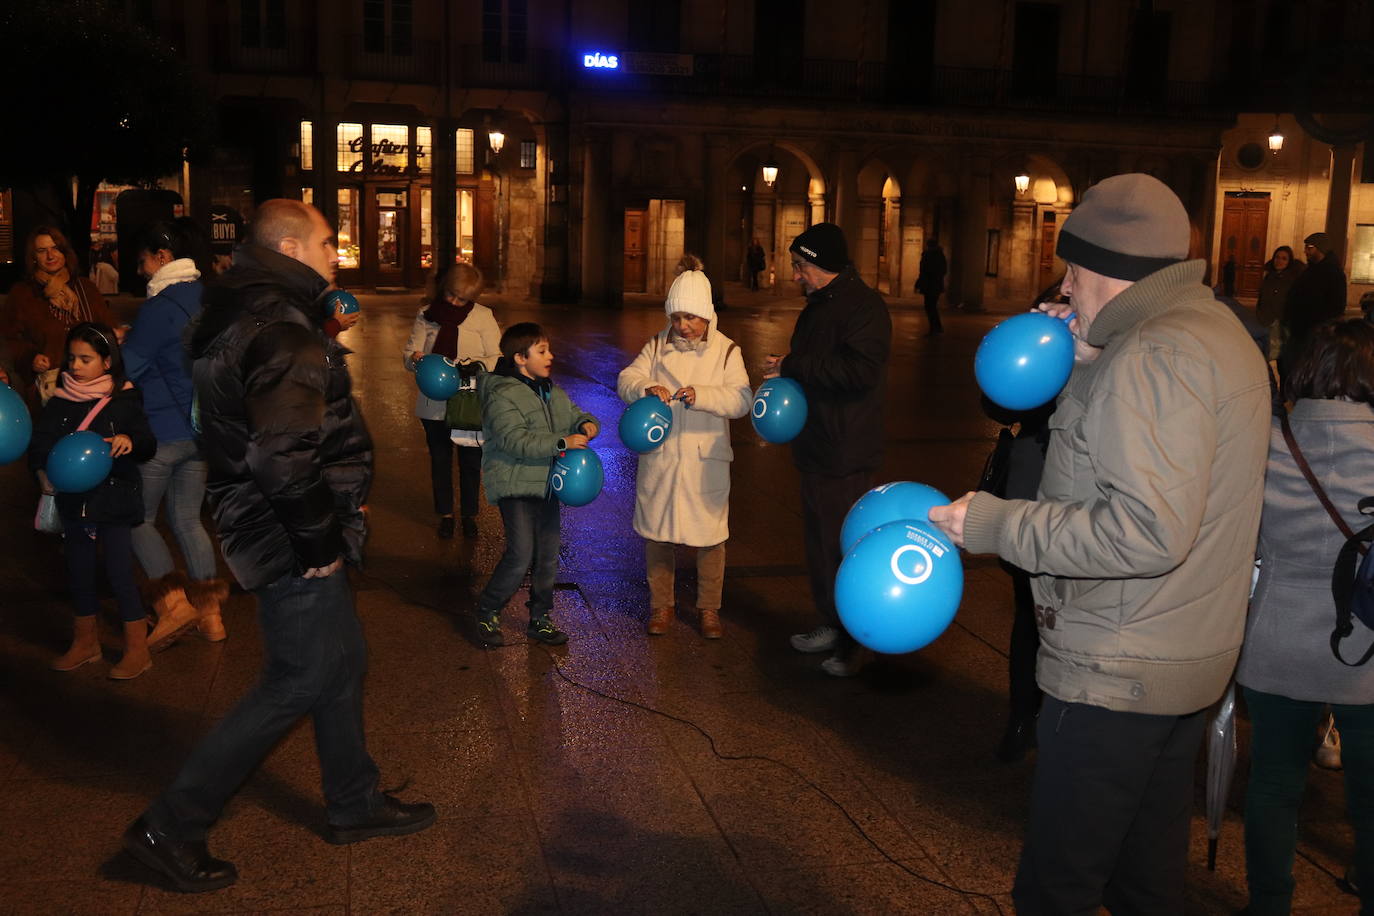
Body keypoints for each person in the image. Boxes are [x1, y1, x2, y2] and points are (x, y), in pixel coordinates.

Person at [927, 173, 1270, 913]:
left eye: (1071, 272)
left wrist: (992, 523)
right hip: (1181, 657)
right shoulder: (1210, 330)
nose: (1064, 288)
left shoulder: (1153, 357)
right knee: (1145, 884)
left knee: (1058, 888)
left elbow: (1144, 529)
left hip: (1118, 667)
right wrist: (1090, 365)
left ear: (1101, 270)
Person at [123, 200, 434, 893]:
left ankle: (353, 800)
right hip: (288, 529)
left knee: (343, 657)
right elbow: (281, 456)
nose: (337, 255)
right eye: (327, 244)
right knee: (294, 678)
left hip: (268, 517)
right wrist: (320, 538)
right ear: (291, 246)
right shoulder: (282, 330)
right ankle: (170, 825)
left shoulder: (241, 309)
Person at [1236, 319, 1374, 916]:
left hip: (1278, 639)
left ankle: (1269, 904)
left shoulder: (1266, 439)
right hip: (1368, 646)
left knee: (1273, 784)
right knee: (1369, 795)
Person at [764, 222, 892, 677]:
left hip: (845, 448)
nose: (796, 275)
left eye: (801, 266)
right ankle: (828, 621)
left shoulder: (864, 309)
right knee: (819, 545)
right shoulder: (819, 306)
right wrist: (787, 369)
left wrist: (795, 364)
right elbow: (817, 366)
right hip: (816, 442)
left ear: (822, 264)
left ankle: (852, 642)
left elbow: (859, 372)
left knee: (844, 548)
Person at [616, 268, 751, 638]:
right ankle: (662, 606)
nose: (683, 325)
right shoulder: (657, 345)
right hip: (663, 458)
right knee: (658, 534)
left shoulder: (726, 351)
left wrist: (703, 396)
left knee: (710, 539)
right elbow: (626, 378)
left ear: (706, 314)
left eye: (690, 317)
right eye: (676, 317)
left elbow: (742, 399)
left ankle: (709, 609)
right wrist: (645, 386)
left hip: (704, 460)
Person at [121, 219, 228, 646]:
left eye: (144, 261)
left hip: (161, 432)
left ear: (162, 258)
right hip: (202, 430)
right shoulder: (211, 297)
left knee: (136, 519)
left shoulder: (159, 308)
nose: (141, 270)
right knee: (187, 519)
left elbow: (128, 367)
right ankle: (211, 617)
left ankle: (174, 605)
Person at [29, 323, 156, 679]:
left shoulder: (125, 398)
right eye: (72, 358)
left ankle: (137, 649)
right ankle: (85, 644)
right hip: (73, 502)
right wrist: (42, 473)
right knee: (80, 573)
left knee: (118, 572)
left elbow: (147, 443)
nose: (76, 366)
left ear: (106, 361)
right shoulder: (58, 400)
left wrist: (130, 440)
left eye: (86, 359)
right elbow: (40, 444)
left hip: (113, 499)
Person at [473, 322, 599, 648]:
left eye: (549, 349)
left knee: (548, 556)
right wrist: (563, 441)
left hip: (547, 484)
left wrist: (586, 423)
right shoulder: (501, 394)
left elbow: (575, 413)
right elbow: (516, 441)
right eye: (542, 351)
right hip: (515, 483)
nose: (550, 356)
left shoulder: (550, 391)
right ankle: (487, 609)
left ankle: (540, 618)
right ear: (520, 357)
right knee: (520, 554)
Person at [404, 262, 501, 539]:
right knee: (440, 460)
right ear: (444, 288)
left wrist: (475, 365)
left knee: (470, 462)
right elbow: (410, 352)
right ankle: (445, 514)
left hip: (468, 402)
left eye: (463, 298)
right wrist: (415, 359)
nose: (456, 302)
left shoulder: (483, 316)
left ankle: (470, 514)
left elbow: (497, 356)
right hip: (432, 402)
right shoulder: (426, 315)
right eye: (452, 295)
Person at [2, 226, 116, 408]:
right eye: (42, 250)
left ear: (65, 252)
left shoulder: (85, 289)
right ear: (33, 257)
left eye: (55, 248)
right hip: (49, 386)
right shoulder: (22, 294)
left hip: (91, 382)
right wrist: (30, 357)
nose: (50, 255)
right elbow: (10, 341)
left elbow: (108, 330)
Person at [1281, 231, 1348, 375]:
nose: (1305, 251)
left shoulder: (1333, 273)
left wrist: (1319, 328)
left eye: (1309, 247)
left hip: (1314, 334)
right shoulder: (1310, 270)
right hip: (1301, 331)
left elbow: (1336, 306)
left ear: (1320, 248)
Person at [1256, 245, 1304, 362]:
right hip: (1265, 321)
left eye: (1284, 258)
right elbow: (1262, 297)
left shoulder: (1293, 279)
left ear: (1289, 261)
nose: (1279, 261)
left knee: (1280, 356)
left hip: (1283, 323)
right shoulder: (1268, 277)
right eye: (1277, 257)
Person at [915, 239, 947, 335]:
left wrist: (920, 283)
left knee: (930, 307)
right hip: (936, 285)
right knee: (932, 306)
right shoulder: (940, 255)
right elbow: (943, 270)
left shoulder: (928, 255)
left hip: (930, 285)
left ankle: (935, 327)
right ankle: (937, 327)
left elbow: (924, 271)